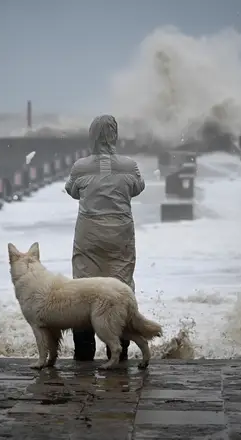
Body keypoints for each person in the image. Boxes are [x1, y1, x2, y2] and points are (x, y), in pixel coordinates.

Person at [64, 114, 146, 362]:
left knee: (83, 290)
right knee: (120, 288)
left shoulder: (80, 166)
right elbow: (138, 187)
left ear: (92, 136)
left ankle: (84, 352)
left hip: (89, 235)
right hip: (120, 234)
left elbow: (72, 190)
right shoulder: (129, 165)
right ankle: (118, 352)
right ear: (115, 135)